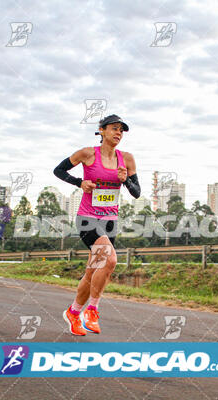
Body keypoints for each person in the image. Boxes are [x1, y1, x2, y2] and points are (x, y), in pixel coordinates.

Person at [53, 114, 141, 335]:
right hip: (87, 218)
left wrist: (125, 180)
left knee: (93, 271)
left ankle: (73, 312)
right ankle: (92, 309)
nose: (118, 133)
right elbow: (59, 170)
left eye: (121, 130)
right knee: (110, 259)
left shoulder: (127, 159)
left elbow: (137, 193)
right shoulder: (88, 153)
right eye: (114, 128)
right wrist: (79, 183)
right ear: (101, 130)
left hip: (110, 221)